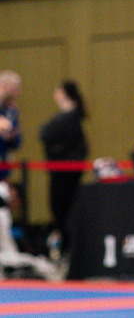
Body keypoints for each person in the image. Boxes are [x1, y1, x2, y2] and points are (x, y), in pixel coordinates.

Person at [39, 80, 88, 243]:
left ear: (63, 93)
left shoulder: (69, 117)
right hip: (61, 169)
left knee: (62, 208)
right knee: (60, 208)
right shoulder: (67, 116)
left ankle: (66, 242)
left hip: (65, 172)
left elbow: (45, 133)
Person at [0, 71, 22, 182]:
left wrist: (11, 137)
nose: (18, 92)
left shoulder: (12, 110)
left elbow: (17, 141)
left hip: (3, 166)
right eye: (15, 88)